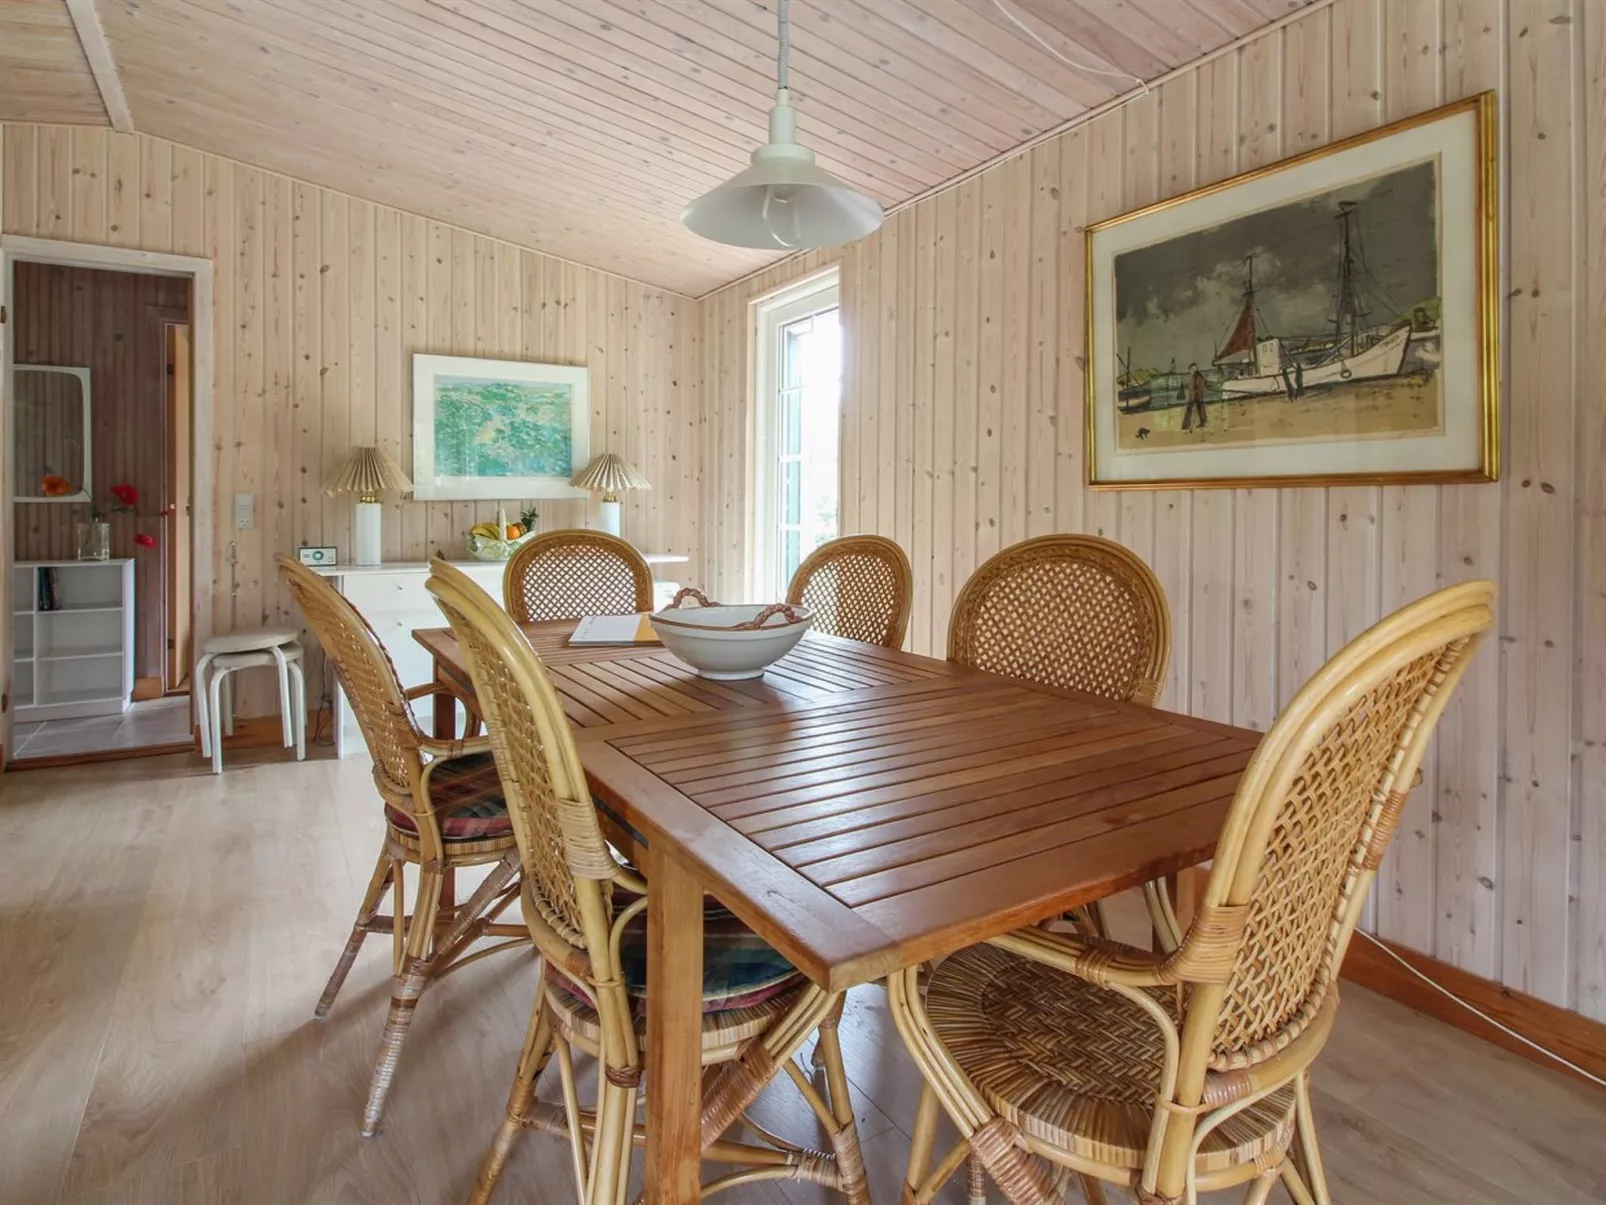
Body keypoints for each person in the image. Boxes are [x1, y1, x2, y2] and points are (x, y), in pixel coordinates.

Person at [1182, 363, 1209, 431]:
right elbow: (1197, 387)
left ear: (1193, 369)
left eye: (1191, 369)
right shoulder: (1198, 376)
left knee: (1190, 410)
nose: (1190, 371)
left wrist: (1194, 396)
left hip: (1195, 396)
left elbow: (1196, 387)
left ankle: (1186, 425)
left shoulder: (1196, 377)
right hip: (1197, 396)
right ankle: (1203, 423)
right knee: (1200, 409)